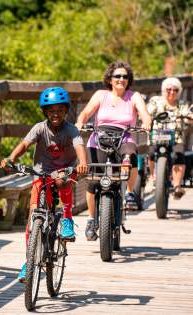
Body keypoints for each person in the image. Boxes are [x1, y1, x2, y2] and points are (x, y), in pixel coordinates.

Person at [1, 86, 88, 282]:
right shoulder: (39, 128)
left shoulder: (71, 130)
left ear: (66, 111)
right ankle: (29, 261)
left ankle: (66, 218)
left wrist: (82, 163)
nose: (55, 114)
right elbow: (25, 144)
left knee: (62, 181)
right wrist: (11, 158)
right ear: (45, 112)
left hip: (63, 171)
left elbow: (79, 146)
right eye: (51, 111)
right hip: (41, 172)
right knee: (33, 218)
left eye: (59, 110)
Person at [76, 61, 151, 241]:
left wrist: (147, 122)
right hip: (99, 138)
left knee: (130, 154)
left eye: (125, 77)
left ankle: (129, 192)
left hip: (124, 137)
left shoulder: (134, 96)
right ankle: (91, 219)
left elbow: (144, 112)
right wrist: (80, 122)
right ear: (109, 79)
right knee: (93, 181)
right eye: (117, 76)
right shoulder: (101, 95)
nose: (121, 79)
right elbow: (86, 112)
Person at [147, 77, 192, 199]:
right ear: (163, 90)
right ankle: (152, 177)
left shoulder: (182, 104)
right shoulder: (155, 101)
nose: (172, 92)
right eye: (169, 89)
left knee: (179, 156)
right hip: (157, 135)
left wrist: (189, 118)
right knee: (151, 153)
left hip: (176, 137)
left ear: (179, 91)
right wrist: (146, 119)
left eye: (175, 90)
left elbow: (189, 115)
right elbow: (148, 112)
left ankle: (177, 186)